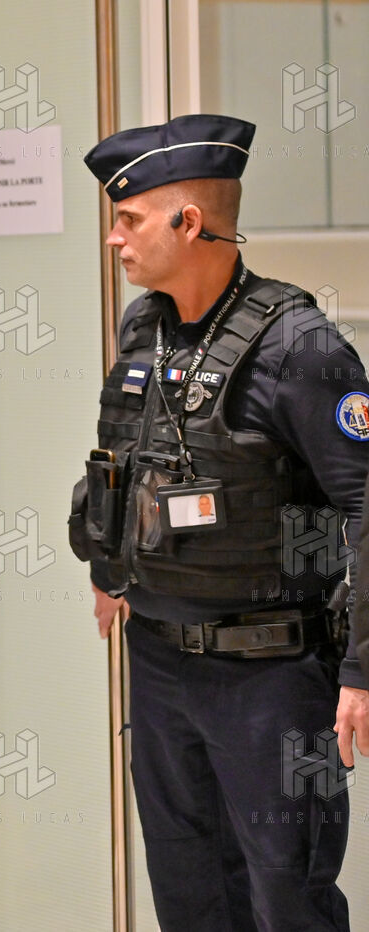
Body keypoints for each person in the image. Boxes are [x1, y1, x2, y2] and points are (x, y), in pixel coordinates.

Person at [71, 113, 369, 931]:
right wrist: (107, 565)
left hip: (271, 677)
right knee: (188, 891)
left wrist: (360, 669)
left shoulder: (299, 347)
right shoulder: (145, 327)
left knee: (286, 897)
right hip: (159, 663)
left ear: (189, 222)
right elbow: (125, 457)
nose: (114, 239)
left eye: (129, 219)